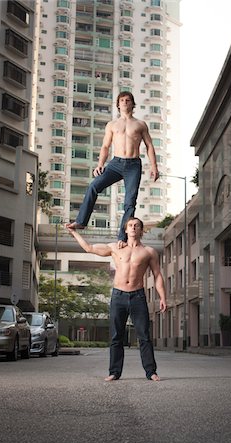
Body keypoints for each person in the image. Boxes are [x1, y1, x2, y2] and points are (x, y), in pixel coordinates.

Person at [66, 217, 167, 381]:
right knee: (116, 337)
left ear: (141, 231)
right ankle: (114, 372)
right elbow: (89, 248)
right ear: (125, 230)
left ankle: (151, 372)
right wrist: (73, 232)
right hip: (118, 295)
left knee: (144, 336)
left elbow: (157, 275)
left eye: (137, 226)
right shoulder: (115, 248)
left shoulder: (149, 252)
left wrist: (163, 297)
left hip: (138, 296)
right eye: (130, 225)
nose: (133, 227)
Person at [66, 92, 159, 243]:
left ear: (132, 104)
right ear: (118, 104)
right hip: (115, 164)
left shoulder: (140, 124)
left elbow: (149, 146)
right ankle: (81, 221)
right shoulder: (112, 125)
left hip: (133, 165)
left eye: (128, 100)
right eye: (121, 100)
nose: (124, 102)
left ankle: (122, 238)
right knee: (94, 186)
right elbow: (105, 146)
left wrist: (154, 167)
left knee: (130, 201)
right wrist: (100, 165)